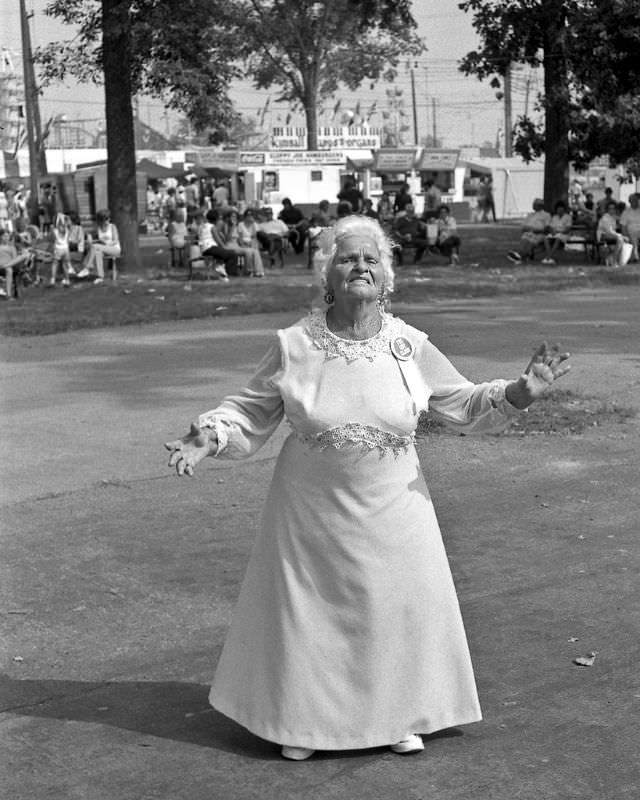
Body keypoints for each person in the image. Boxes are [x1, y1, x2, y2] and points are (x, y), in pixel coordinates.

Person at [165, 214, 571, 762]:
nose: (361, 266)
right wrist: (207, 436)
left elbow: (462, 402)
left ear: (387, 277)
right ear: (326, 275)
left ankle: (398, 714)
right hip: (310, 512)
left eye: (371, 258)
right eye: (347, 257)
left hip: (396, 509)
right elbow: (250, 411)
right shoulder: (293, 345)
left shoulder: (409, 345)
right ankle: (304, 724)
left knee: (394, 608)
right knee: (311, 614)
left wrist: (519, 393)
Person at [78, 209, 121, 284]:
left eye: (108, 218)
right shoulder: (98, 228)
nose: (107, 221)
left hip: (114, 249)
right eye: (105, 219)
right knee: (97, 252)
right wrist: (89, 237)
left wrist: (107, 244)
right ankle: (100, 277)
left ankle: (87, 268)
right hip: (103, 249)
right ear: (101, 220)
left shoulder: (112, 227)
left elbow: (116, 240)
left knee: (95, 247)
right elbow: (90, 235)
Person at [507, 198, 551, 263]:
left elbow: (547, 228)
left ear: (540, 206)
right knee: (525, 239)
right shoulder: (530, 215)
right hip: (528, 232)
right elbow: (523, 227)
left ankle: (519, 256)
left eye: (534, 204)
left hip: (539, 233)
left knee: (530, 241)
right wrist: (527, 229)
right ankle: (520, 255)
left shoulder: (546, 215)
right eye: (533, 204)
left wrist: (539, 231)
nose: (533, 206)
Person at [224, 208, 265, 277]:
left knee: (255, 251)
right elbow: (227, 239)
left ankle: (259, 271)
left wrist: (246, 243)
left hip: (237, 245)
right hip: (230, 246)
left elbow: (249, 236)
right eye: (232, 216)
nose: (234, 218)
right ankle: (249, 271)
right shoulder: (227, 225)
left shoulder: (237, 226)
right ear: (228, 217)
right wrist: (233, 227)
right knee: (248, 251)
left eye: (235, 216)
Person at [596, 200, 626, 267]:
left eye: (613, 208)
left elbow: (622, 220)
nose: (612, 210)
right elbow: (609, 231)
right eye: (610, 208)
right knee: (620, 239)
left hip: (610, 235)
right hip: (602, 236)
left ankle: (611, 258)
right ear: (607, 209)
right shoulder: (605, 217)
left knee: (621, 240)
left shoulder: (613, 217)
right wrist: (621, 235)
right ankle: (614, 261)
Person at [542, 200, 573, 264]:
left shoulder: (568, 217)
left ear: (564, 210)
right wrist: (552, 231)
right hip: (554, 233)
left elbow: (567, 230)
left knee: (558, 238)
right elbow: (550, 227)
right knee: (545, 238)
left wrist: (558, 232)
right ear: (556, 210)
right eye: (558, 209)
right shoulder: (554, 217)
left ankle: (549, 257)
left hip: (564, 234)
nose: (560, 211)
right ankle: (549, 256)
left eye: (561, 209)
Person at [48, 213, 73, 287]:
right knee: (65, 265)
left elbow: (51, 239)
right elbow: (69, 224)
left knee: (55, 264)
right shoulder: (67, 230)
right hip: (66, 250)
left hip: (58, 249)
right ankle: (67, 280)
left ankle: (52, 280)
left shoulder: (54, 230)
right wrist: (67, 218)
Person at [620, 193, 640, 262]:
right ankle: (635, 257)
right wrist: (625, 236)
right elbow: (623, 226)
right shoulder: (626, 212)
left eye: (636, 200)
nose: (635, 202)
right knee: (634, 238)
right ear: (630, 202)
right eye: (633, 200)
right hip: (631, 233)